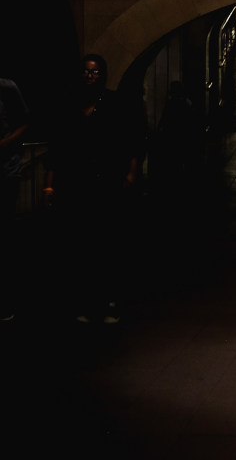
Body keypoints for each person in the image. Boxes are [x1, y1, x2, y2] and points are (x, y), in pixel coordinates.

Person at [44, 54, 143, 324]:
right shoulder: (70, 105)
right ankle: (85, 301)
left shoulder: (113, 104)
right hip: (76, 183)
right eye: (86, 72)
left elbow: (130, 139)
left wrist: (131, 173)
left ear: (103, 75)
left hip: (106, 181)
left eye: (95, 72)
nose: (90, 76)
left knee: (106, 241)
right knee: (80, 243)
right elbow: (59, 148)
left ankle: (108, 300)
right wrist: (50, 184)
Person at [0, 77, 30, 323]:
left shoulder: (6, 87)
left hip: (5, 170)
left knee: (5, 235)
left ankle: (6, 302)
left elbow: (24, 123)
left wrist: (4, 144)